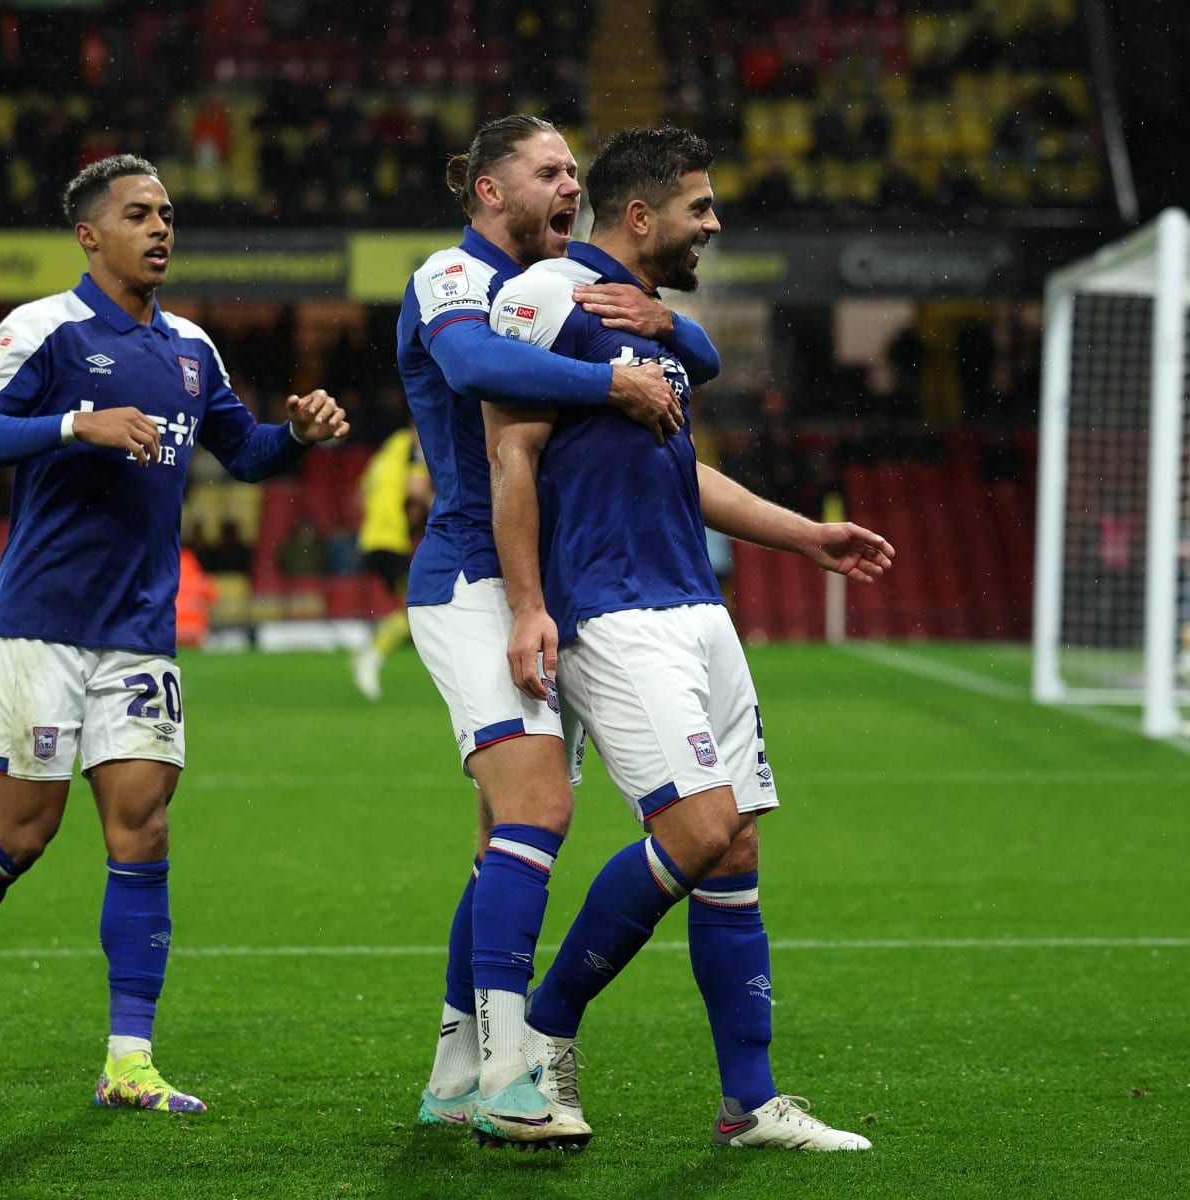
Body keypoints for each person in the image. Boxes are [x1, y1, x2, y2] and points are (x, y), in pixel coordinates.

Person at [484, 127, 896, 1151]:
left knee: (737, 843)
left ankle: (750, 1104)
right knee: (698, 827)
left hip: (693, 607)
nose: (713, 224)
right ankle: (541, 1034)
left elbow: (684, 472)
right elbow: (513, 459)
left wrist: (808, 536)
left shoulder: (655, 323)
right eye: (700, 208)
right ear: (640, 216)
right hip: (613, 612)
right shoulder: (545, 300)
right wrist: (530, 603)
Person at [0, 154, 348, 1114]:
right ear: (88, 235)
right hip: (42, 627)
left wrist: (300, 435)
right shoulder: (43, 331)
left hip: (142, 633)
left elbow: (247, 451)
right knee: (21, 835)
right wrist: (74, 424)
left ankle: (129, 1064)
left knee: (142, 828)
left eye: (168, 213)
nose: (160, 229)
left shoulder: (192, 348)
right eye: (138, 214)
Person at [398, 114, 723, 1148]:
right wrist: (607, 379)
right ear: (490, 191)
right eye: (547, 172)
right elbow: (468, 371)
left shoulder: (557, 291)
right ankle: (508, 1074)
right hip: (471, 578)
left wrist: (665, 334)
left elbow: (695, 356)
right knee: (536, 808)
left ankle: (455, 1071)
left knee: (510, 831)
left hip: (547, 581)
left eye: (575, 170)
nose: (568, 185)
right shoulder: (450, 274)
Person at [350, 422, 432, 701]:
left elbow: (360, 495)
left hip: (370, 539)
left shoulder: (389, 449)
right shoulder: (413, 451)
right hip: (391, 539)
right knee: (417, 605)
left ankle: (372, 654)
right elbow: (419, 490)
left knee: (414, 604)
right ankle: (371, 656)